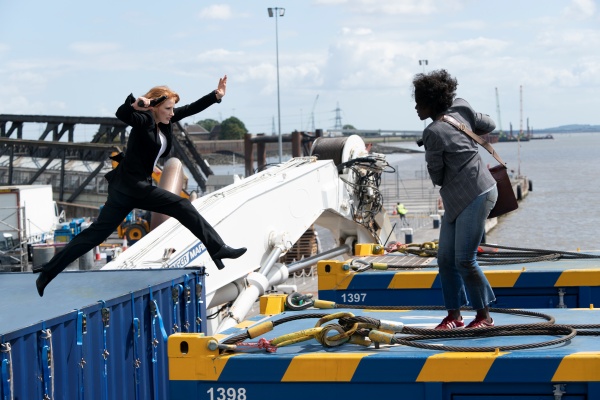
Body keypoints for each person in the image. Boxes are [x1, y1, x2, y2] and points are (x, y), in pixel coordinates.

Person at [33, 75, 246, 297]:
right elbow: (122, 114)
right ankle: (218, 249)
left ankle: (47, 271)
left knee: (95, 234)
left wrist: (216, 95)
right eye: (168, 108)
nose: (172, 112)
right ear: (155, 107)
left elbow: (192, 108)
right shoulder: (143, 121)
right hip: (132, 186)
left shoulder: (167, 120)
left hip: (127, 188)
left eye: (173, 108)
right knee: (181, 205)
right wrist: (135, 105)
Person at [412, 69, 498, 329]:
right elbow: (490, 124)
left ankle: (484, 317)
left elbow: (437, 176)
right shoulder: (461, 108)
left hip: (476, 193)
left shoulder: (433, 132)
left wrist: (434, 146)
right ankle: (454, 316)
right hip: (458, 198)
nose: (416, 107)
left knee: (464, 259)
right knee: (446, 259)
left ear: (431, 103)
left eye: (419, 102)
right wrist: (465, 129)